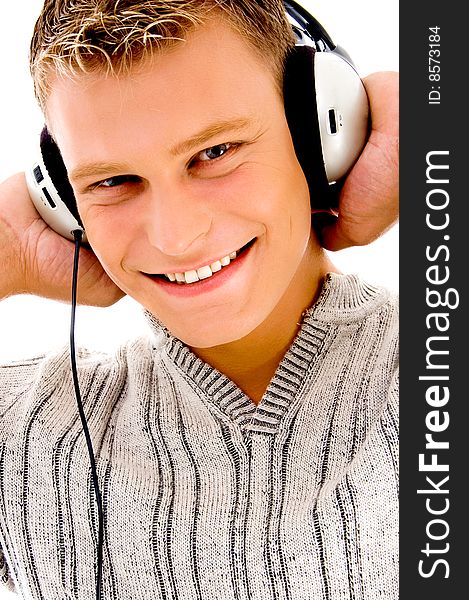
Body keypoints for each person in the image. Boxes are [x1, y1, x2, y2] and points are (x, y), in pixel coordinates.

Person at [0, 1, 398, 598]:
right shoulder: (32, 438)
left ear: (321, 131)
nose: (175, 235)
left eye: (215, 153)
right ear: (64, 200)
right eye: (112, 182)